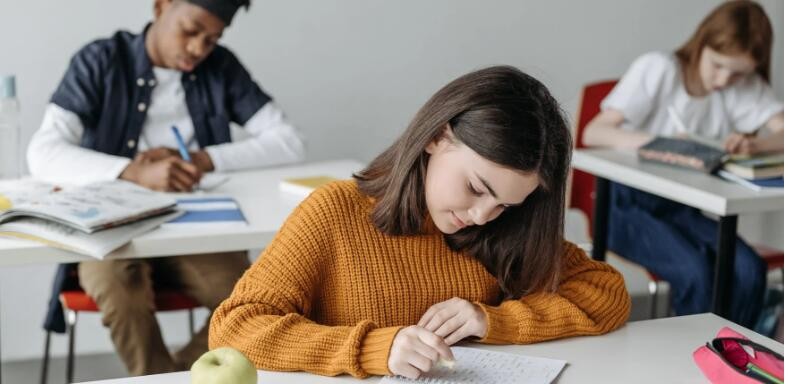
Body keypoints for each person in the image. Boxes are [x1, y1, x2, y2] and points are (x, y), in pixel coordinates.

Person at [209, 66, 630, 379]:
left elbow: (606, 293)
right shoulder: (335, 212)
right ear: (436, 137)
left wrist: (493, 321)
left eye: (506, 205)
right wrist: (374, 347)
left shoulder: (504, 228)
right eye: (476, 187)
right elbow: (234, 328)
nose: (482, 215)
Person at [31, 0, 305, 375]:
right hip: (112, 232)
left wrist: (204, 159)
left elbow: (289, 140)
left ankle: (168, 377)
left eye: (211, 39)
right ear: (162, 7)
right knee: (116, 287)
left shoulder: (220, 66)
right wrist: (133, 172)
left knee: (250, 298)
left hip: (196, 230)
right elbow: (42, 152)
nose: (198, 48)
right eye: (191, 31)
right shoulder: (101, 59)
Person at [582, 0, 783, 328]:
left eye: (737, 74)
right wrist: (662, 145)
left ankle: (730, 358)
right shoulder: (660, 68)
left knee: (749, 269)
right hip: (626, 208)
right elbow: (594, 132)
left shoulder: (741, 86)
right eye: (718, 65)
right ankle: (693, 362)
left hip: (683, 209)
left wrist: (755, 144)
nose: (724, 79)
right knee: (697, 273)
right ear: (703, 42)